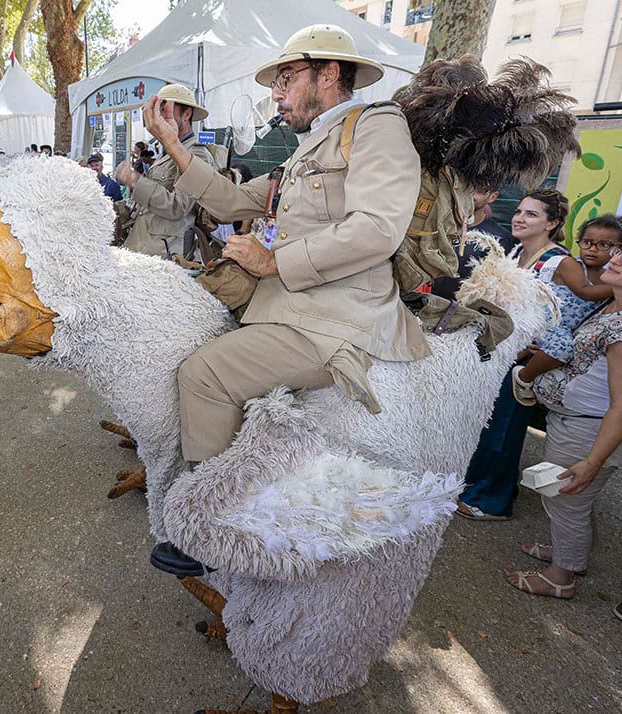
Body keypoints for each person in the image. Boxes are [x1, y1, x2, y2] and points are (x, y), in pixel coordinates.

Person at [133, 25, 425, 574]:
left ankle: (211, 521)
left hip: (336, 319)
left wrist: (275, 262)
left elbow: (378, 229)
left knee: (204, 373)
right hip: (290, 308)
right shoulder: (310, 146)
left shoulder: (376, 127)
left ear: (330, 73)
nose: (275, 91)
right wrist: (173, 145)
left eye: (286, 77)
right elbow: (229, 200)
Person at [504, 242, 622, 599]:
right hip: (575, 421)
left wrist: (592, 461)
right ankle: (571, 555)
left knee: (567, 500)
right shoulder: (611, 307)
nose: (615, 257)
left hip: (588, 429)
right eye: (619, 250)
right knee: (572, 500)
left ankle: (561, 577)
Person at [456, 189, 573, 521]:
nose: (519, 218)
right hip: (500, 352)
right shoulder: (516, 251)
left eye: (531, 214)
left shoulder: (559, 262)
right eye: (519, 211)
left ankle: (493, 501)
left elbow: (567, 313)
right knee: (486, 426)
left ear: (553, 223)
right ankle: (473, 486)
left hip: (525, 363)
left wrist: (536, 345)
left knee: (504, 431)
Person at [512, 215, 622, 404]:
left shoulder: (608, 276)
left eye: (604, 245)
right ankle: (523, 377)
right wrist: (621, 285)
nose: (593, 249)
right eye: (587, 242)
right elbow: (585, 292)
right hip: (548, 322)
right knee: (563, 348)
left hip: (565, 330)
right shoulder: (568, 263)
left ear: (619, 250)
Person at [115, 83, 215, 258]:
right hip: (145, 246)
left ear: (187, 114)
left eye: (165, 110)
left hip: (164, 254)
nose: (158, 117)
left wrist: (136, 181)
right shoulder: (166, 152)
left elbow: (178, 207)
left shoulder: (196, 154)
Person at [430, 186, 515, 299]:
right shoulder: (433, 222)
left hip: (460, 310)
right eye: (466, 187)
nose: (471, 194)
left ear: (492, 196)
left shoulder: (499, 238)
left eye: (480, 190)